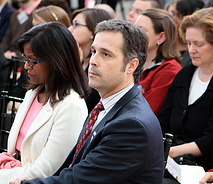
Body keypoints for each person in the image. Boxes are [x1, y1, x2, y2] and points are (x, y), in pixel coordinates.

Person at [10, 19, 164, 184]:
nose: (92, 60)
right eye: (93, 51)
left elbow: (81, 179)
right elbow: (73, 168)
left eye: (106, 54)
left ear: (131, 66)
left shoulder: (132, 126)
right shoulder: (108, 107)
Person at [0, 22, 89, 183]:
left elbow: (46, 171)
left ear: (56, 60)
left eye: (33, 61)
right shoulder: (33, 93)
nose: (27, 66)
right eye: (25, 59)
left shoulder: (72, 106)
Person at [158, 6, 213, 177]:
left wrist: (170, 152)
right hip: (168, 163)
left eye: (198, 44)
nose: (191, 50)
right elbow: (163, 121)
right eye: (188, 43)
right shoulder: (184, 75)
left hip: (205, 170)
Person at [135, 8, 181, 115]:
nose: (133, 35)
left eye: (141, 30)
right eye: (134, 29)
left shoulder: (170, 70)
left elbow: (145, 111)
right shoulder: (133, 63)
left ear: (161, 37)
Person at [68, 8, 111, 112]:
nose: (70, 29)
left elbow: (83, 102)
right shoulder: (77, 59)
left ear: (93, 30)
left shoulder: (100, 67)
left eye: (76, 25)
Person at [170, 0, 204, 68]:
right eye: (173, 14)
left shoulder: (196, 51)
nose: (174, 19)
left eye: (179, 16)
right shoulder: (168, 41)